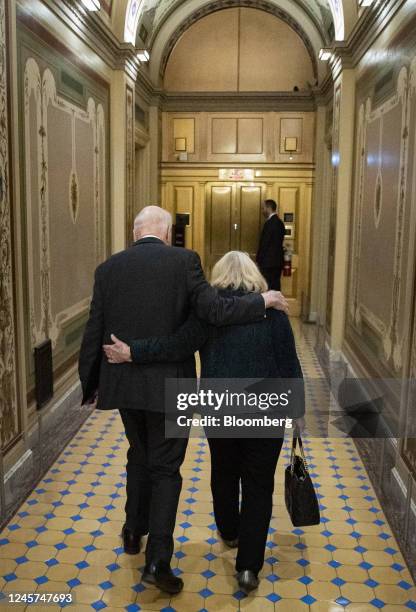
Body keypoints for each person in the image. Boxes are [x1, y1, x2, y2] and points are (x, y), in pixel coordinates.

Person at [79, 207, 288, 595]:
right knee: (165, 469)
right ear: (168, 230)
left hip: (124, 384)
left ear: (136, 230)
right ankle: (158, 558)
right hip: (169, 386)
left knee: (137, 455)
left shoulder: (107, 269)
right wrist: (262, 302)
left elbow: (94, 328)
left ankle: (131, 530)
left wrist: (89, 383)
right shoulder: (184, 261)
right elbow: (213, 311)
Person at [256, 199, 286, 291]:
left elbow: (265, 243)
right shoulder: (279, 222)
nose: (262, 211)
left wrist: (259, 260)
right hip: (277, 262)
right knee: (275, 286)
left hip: (268, 263)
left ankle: (270, 305)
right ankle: (276, 304)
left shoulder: (270, 223)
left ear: (269, 208)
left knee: (268, 287)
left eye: (263, 208)